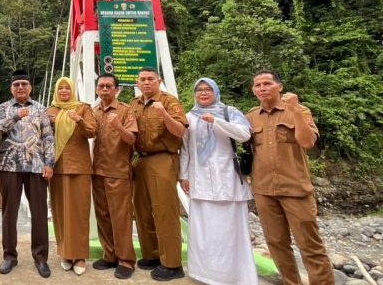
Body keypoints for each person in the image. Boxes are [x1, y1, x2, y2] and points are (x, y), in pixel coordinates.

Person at [246, 70, 333, 284]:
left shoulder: (299, 110)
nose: (263, 88)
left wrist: (294, 109)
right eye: (258, 85)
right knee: (276, 244)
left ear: (280, 87)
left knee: (310, 245)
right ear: (253, 90)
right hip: (264, 190)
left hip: (295, 188)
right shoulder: (250, 116)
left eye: (267, 83)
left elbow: (307, 142)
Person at [179, 78, 257, 285]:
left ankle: (235, 276)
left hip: (228, 178)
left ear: (215, 92)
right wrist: (184, 175)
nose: (203, 93)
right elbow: (185, 148)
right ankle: (204, 274)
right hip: (200, 178)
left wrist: (216, 122)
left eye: (208, 90)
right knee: (203, 228)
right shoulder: (189, 117)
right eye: (199, 90)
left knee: (231, 228)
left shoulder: (229, 112)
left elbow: (244, 134)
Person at [0, 70, 55, 279]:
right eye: (16, 84)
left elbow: (48, 137)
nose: (20, 87)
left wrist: (50, 163)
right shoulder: (4, 108)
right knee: (9, 213)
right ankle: (9, 256)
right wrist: (15, 115)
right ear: (11, 88)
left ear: (30, 87)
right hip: (9, 166)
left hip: (36, 166)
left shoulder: (40, 109)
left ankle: (40, 258)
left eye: (24, 84)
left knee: (39, 213)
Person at [130, 67, 188, 281]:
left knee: (164, 210)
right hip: (140, 159)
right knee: (142, 210)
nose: (146, 82)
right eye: (142, 79)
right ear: (137, 83)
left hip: (163, 157)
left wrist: (163, 113)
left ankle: (172, 263)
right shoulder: (133, 104)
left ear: (159, 81)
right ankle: (152, 254)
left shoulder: (169, 101)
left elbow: (181, 131)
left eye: (150, 79)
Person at [90, 73, 139, 280]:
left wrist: (118, 126)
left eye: (109, 86)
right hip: (97, 171)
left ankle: (126, 260)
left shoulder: (126, 111)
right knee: (103, 217)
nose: (104, 89)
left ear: (116, 89)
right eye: (101, 86)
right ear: (96, 90)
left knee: (121, 218)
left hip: (118, 172)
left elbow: (132, 140)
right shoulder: (93, 112)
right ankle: (109, 255)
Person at [45, 77, 95, 276]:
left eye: (67, 88)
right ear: (57, 91)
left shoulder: (83, 108)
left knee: (79, 213)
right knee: (60, 212)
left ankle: (80, 255)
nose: (64, 91)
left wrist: (78, 120)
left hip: (80, 167)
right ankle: (66, 253)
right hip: (56, 168)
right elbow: (42, 138)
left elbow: (92, 131)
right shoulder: (49, 110)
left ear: (73, 90)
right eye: (61, 88)